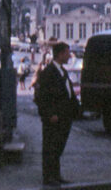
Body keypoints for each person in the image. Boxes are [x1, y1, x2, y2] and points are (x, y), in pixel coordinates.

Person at [35, 42, 81, 187]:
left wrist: (77, 109)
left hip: (64, 117)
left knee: (58, 147)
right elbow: (41, 97)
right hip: (54, 118)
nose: (69, 55)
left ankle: (56, 175)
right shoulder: (48, 73)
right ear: (60, 54)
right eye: (67, 53)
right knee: (50, 148)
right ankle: (48, 177)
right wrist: (49, 114)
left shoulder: (62, 71)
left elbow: (69, 94)